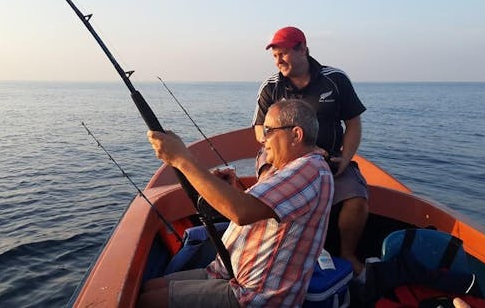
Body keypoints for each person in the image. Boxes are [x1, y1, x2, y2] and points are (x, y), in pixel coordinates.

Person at [139, 99, 334, 308]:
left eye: (268, 130)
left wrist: (181, 159)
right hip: (228, 273)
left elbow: (241, 212)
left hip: (254, 295)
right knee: (150, 287)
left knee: (149, 301)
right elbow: (263, 213)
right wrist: (235, 192)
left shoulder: (309, 170)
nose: (263, 139)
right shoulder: (289, 169)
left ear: (296, 134)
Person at [252, 26, 368, 277]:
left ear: (302, 49)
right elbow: (260, 130)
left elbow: (353, 123)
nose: (278, 61)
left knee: (357, 201)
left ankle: (347, 253)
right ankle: (270, 250)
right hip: (280, 157)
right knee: (265, 193)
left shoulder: (335, 80)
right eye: (274, 56)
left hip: (329, 158)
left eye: (283, 54)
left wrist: (345, 160)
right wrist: (291, 150)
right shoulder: (270, 87)